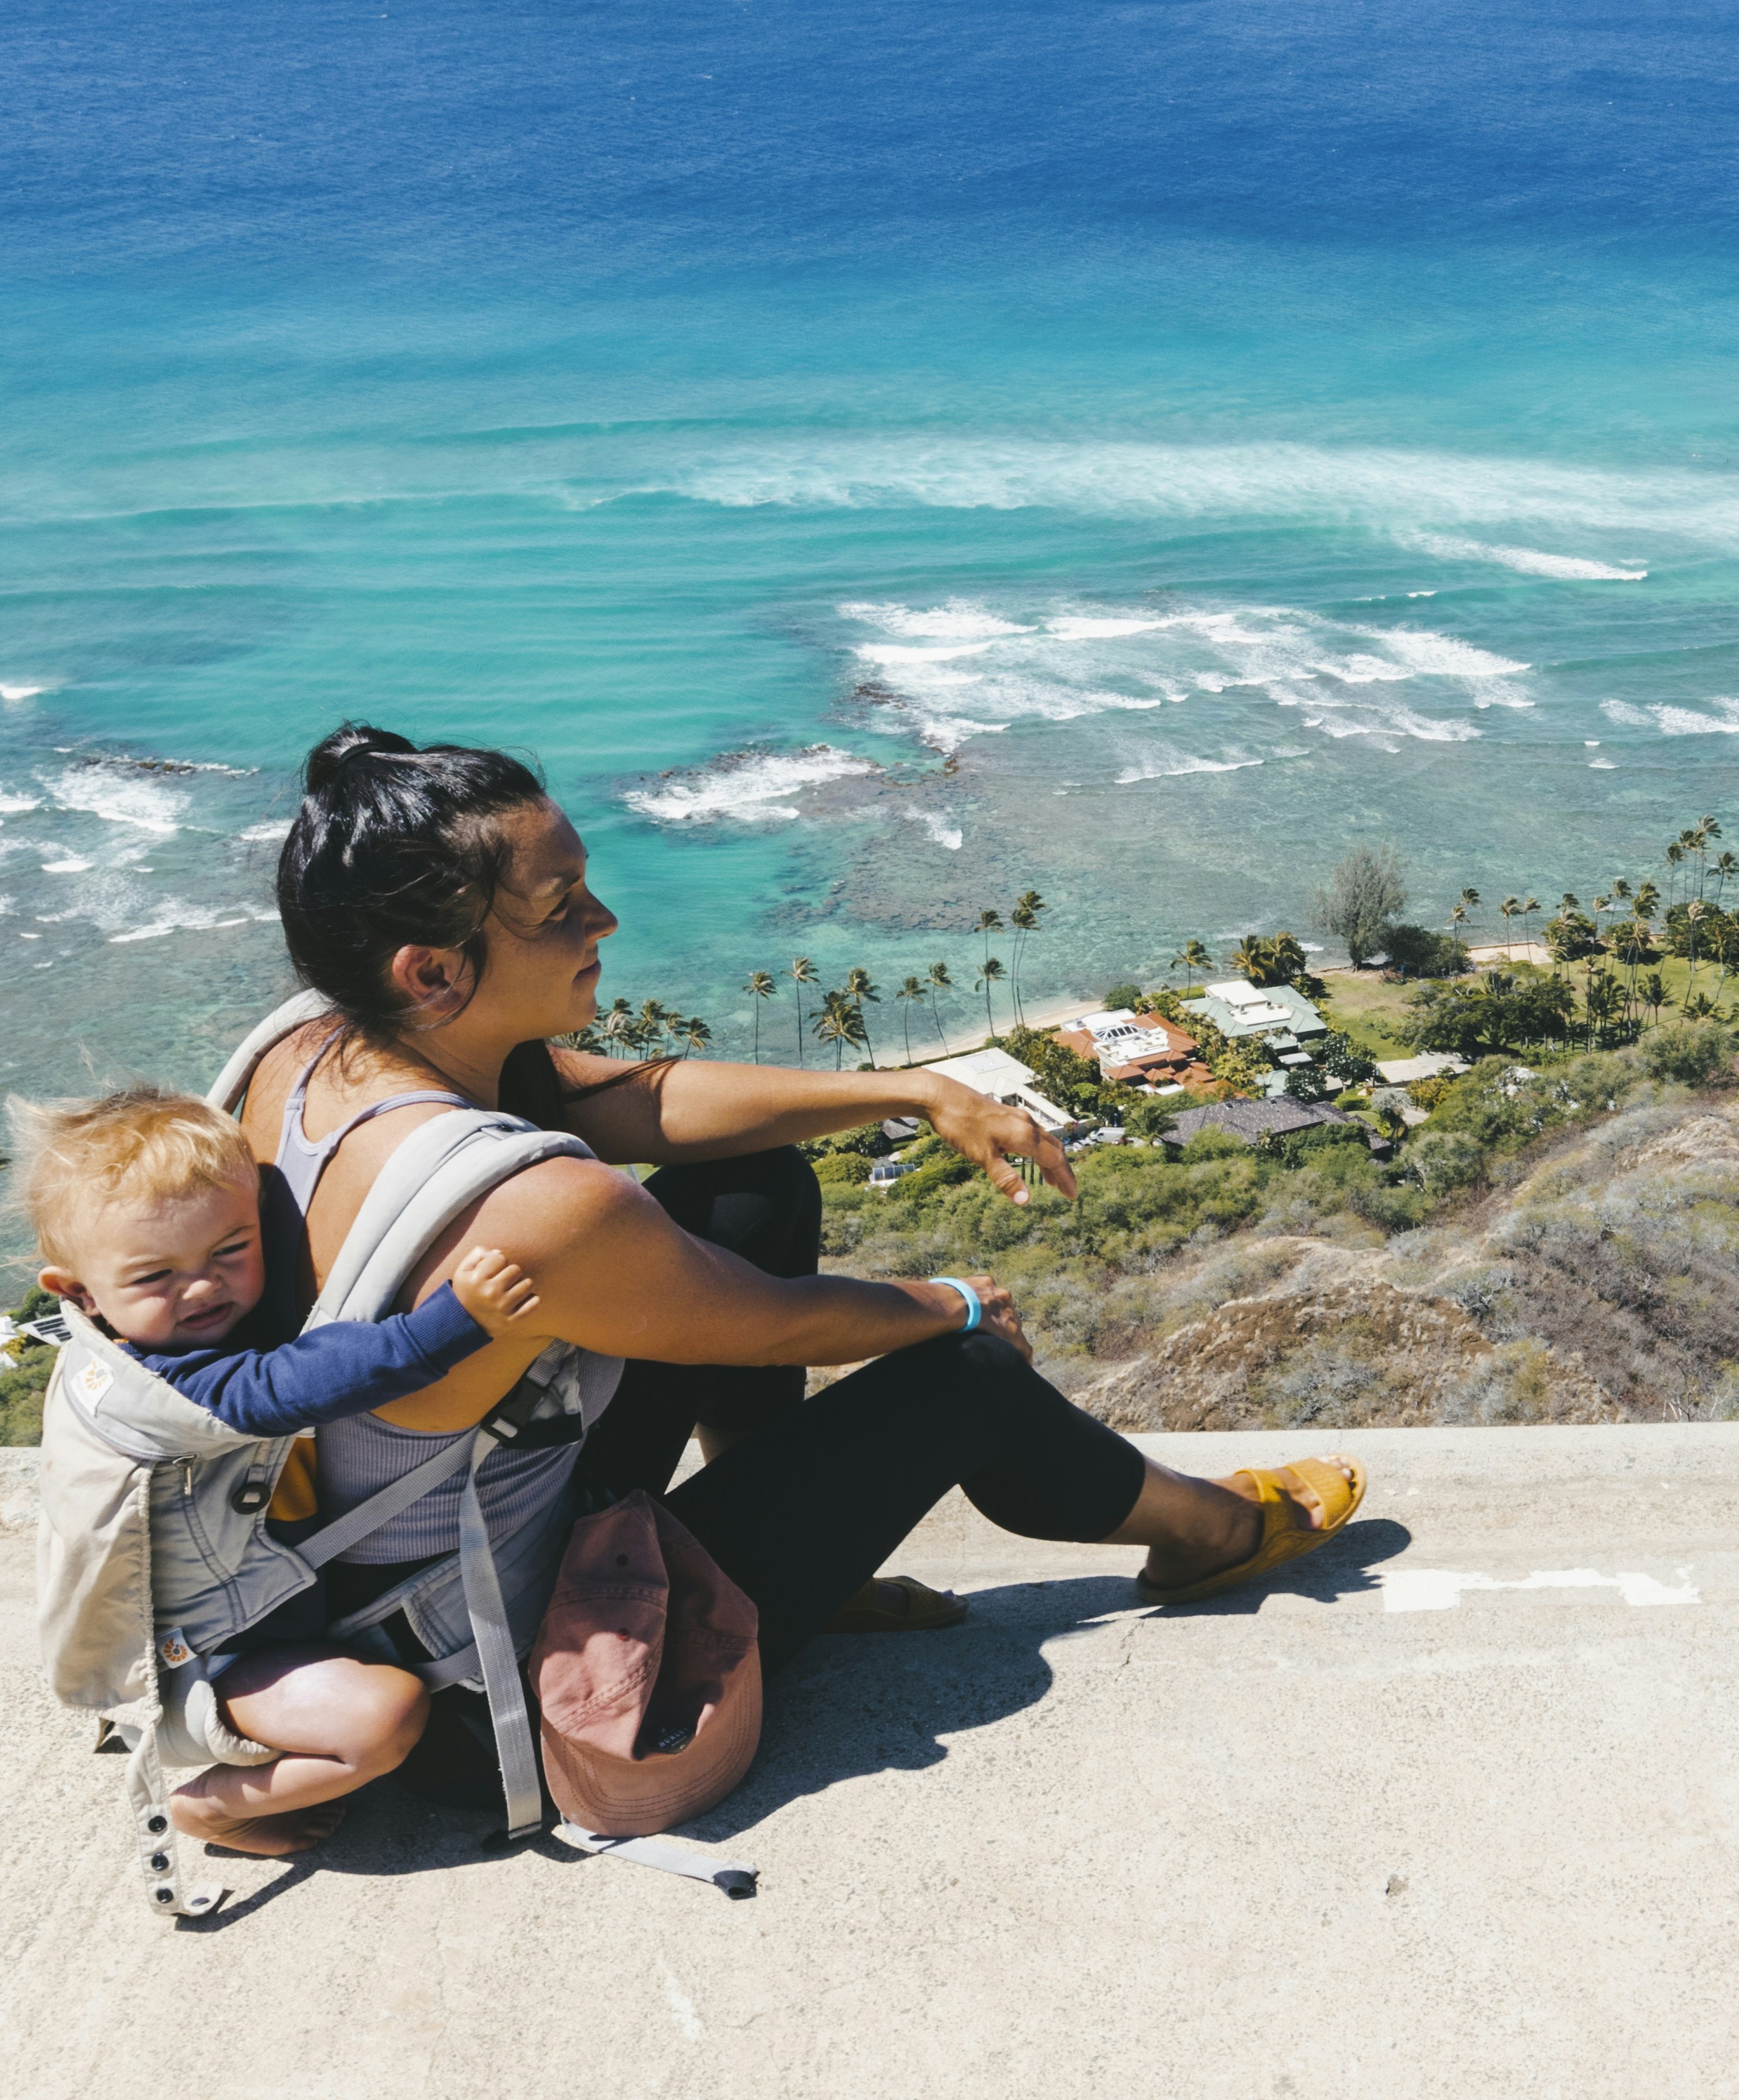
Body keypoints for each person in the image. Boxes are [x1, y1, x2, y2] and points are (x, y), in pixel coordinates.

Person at [225, 722, 1360, 1811]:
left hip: (367, 1582)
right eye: (560, 909)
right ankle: (1207, 1531)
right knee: (968, 1377)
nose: (603, 919)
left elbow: (639, 1101)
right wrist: (955, 1304)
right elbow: (767, 1324)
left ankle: (820, 1579)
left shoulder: (307, 1052)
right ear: (433, 971)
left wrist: (919, 1089)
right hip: (508, 1694)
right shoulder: (531, 1212)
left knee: (755, 1185)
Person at [19, 1083, 560, 1852]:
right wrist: (455, 1322)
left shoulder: (138, 1337)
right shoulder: (162, 1387)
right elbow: (285, 1385)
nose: (202, 1286)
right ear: (78, 1293)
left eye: (230, 1250)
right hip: (209, 1659)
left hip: (256, 1608)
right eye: (154, 1277)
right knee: (385, 1720)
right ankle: (215, 1807)